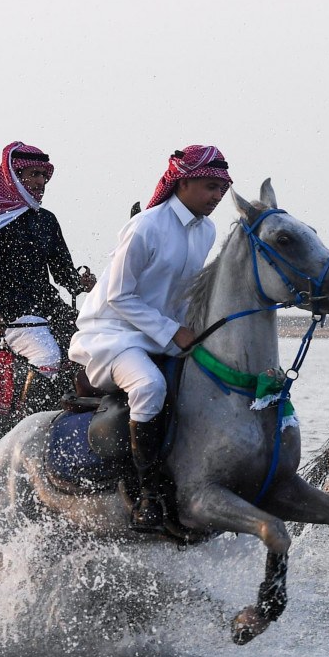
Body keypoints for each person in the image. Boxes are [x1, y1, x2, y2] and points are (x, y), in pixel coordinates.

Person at [69, 145, 232, 531]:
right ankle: (148, 494)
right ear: (183, 183)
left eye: (222, 190)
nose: (217, 197)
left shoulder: (207, 231)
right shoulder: (146, 226)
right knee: (149, 386)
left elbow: (184, 294)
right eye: (210, 187)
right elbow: (118, 296)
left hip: (162, 335)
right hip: (112, 335)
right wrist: (173, 331)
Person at [0, 142, 96, 375]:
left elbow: (62, 272)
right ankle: (34, 401)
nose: (41, 182)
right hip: (12, 316)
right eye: (34, 174)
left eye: (44, 176)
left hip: (49, 307)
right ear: (15, 178)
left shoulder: (47, 220)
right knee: (48, 357)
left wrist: (81, 283)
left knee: (96, 345)